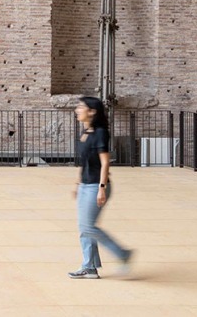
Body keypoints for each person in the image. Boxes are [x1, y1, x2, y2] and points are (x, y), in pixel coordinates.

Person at [68, 95, 132, 279]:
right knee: (84, 228)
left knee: (89, 227)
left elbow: (105, 163)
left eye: (81, 107)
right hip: (85, 185)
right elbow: (85, 163)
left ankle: (123, 254)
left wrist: (102, 188)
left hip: (96, 185)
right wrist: (78, 184)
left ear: (92, 111)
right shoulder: (85, 133)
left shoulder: (100, 133)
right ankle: (89, 268)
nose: (77, 110)